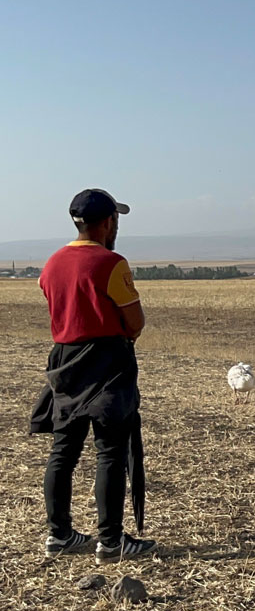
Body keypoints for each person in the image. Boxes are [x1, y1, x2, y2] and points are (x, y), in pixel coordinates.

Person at [31, 189, 156, 563]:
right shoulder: (112, 263)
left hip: (65, 361)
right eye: (115, 219)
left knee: (63, 450)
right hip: (107, 360)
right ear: (107, 222)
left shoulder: (51, 263)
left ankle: (59, 535)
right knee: (110, 451)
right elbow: (134, 322)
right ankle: (111, 541)